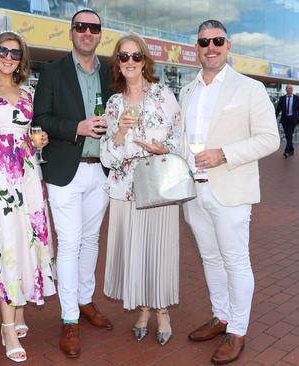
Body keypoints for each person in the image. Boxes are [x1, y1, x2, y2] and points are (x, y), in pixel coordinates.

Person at [180, 19, 279, 365]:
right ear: (197, 47)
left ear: (228, 45)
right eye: (204, 42)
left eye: (217, 41)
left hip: (231, 188)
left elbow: (270, 139)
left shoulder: (250, 89)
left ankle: (237, 330)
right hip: (194, 191)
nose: (210, 47)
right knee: (209, 258)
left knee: (235, 260)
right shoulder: (187, 90)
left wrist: (224, 153)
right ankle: (220, 316)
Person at [0, 31, 56, 363]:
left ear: (22, 59)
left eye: (15, 53)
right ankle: (7, 326)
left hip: (30, 177)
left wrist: (40, 140)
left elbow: (34, 134)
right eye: (3, 51)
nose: (9, 57)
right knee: (6, 246)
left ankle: (19, 314)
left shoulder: (31, 93)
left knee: (28, 242)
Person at [33, 8, 113, 359]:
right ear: (71, 33)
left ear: (100, 35)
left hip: (102, 170)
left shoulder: (111, 73)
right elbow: (41, 120)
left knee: (90, 240)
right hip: (66, 169)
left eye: (93, 28)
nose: (87, 32)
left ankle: (84, 300)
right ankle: (68, 319)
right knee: (68, 244)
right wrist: (75, 128)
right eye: (80, 27)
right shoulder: (52, 72)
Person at [100, 33, 181, 346]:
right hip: (125, 191)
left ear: (145, 61)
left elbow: (179, 136)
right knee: (137, 252)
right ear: (118, 64)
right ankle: (144, 311)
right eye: (124, 57)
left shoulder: (163, 94)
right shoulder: (113, 104)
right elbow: (107, 155)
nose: (130, 62)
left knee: (158, 251)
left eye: (136, 56)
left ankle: (162, 312)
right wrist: (119, 134)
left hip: (159, 187)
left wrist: (162, 147)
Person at [275, 84, 299, 158]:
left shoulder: (297, 98)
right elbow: (278, 109)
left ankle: (286, 151)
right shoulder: (282, 98)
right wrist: (274, 118)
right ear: (286, 90)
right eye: (289, 88)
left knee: (289, 135)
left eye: (291, 88)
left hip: (292, 119)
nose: (291, 89)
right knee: (287, 136)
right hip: (284, 119)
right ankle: (291, 149)